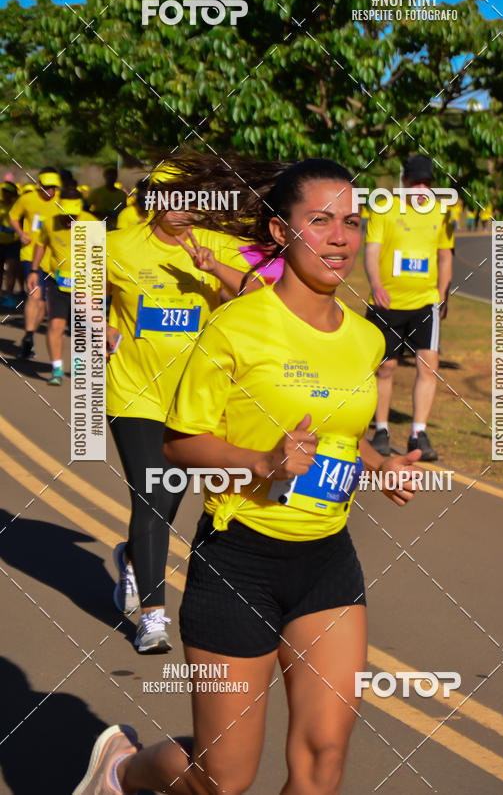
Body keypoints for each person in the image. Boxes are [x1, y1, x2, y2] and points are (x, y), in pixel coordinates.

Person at [74, 158, 421, 795]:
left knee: (324, 762)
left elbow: (337, 436)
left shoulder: (365, 340)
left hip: (327, 562)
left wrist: (379, 464)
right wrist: (262, 462)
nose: (341, 237)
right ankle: (121, 772)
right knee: (220, 780)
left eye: (351, 221)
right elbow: (179, 443)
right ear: (280, 230)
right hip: (239, 565)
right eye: (320, 221)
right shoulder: (234, 326)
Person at [105, 158, 270, 655]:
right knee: (154, 495)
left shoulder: (216, 244)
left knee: (169, 496)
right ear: (153, 199)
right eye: (173, 199)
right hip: (134, 392)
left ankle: (133, 559)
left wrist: (214, 269)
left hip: (196, 400)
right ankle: (153, 617)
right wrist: (102, 327)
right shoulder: (117, 245)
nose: (184, 209)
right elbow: (82, 293)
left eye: (193, 199)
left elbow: (264, 298)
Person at [364, 154, 454, 461]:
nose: (421, 189)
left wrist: (441, 294)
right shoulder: (384, 210)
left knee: (429, 365)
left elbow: (445, 256)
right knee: (385, 367)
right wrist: (376, 284)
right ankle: (382, 429)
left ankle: (418, 433)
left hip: (424, 303)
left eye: (426, 183)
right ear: (403, 182)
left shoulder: (440, 215)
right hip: (387, 303)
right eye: (415, 182)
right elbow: (372, 252)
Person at [28, 187, 98, 385]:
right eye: (66, 215)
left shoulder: (91, 222)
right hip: (56, 282)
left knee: (81, 328)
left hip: (85, 284)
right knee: (56, 324)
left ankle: (79, 365)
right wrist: (34, 270)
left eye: (73, 216)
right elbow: (40, 244)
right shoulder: (49, 222)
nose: (69, 220)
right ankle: (56, 369)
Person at [8, 168, 64, 358]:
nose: (51, 191)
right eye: (47, 187)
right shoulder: (27, 199)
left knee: (42, 304)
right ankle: (30, 338)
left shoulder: (62, 201)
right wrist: (20, 233)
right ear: (39, 184)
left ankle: (28, 334)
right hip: (31, 255)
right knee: (35, 295)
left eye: (54, 188)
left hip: (55, 259)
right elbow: (13, 216)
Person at [0, 181, 20, 306]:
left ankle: (8, 295)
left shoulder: (17, 206)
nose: (5, 193)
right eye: (3, 191)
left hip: (13, 243)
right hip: (0, 242)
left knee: (11, 269)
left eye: (8, 191)